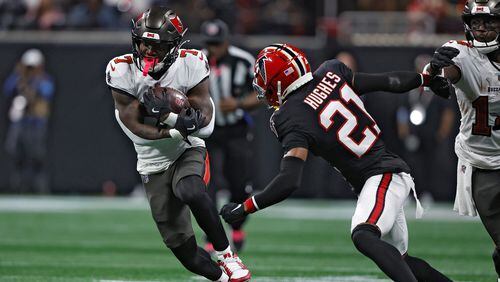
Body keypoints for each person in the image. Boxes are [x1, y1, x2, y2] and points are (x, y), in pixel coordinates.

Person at [220, 43, 453, 281]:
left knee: (363, 235)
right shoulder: (331, 72)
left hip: (382, 175)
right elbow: (388, 81)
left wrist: (245, 207)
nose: (262, 86)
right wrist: (424, 79)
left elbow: (289, 180)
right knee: (401, 260)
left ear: (280, 80)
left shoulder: (289, 116)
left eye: (265, 79)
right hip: (383, 174)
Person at [105, 7, 250, 282]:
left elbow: (205, 112)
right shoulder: (120, 69)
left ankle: (227, 254)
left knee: (191, 190)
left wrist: (189, 119)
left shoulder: (192, 62)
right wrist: (172, 127)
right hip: (151, 158)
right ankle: (222, 279)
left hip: (186, 148)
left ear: (173, 46)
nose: (147, 50)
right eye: (143, 42)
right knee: (187, 255)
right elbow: (132, 126)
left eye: (156, 45)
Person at [426, 1, 500, 280]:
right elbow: (445, 77)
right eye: (476, 23)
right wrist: (435, 73)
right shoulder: (462, 54)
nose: (481, 29)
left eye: (489, 22)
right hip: (482, 162)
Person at [200, 19, 261, 253]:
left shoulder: (243, 61)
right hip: (208, 130)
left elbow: (261, 94)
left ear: (226, 41)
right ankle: (211, 235)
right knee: (208, 185)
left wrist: (238, 103)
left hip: (236, 129)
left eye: (217, 43)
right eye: (209, 44)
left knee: (238, 182)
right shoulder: (197, 61)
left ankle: (237, 225)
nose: (213, 49)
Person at [396, 54, 456, 203]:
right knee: (409, 164)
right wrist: (403, 130)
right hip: (412, 133)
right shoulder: (410, 87)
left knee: (430, 164)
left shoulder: (440, 87)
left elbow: (448, 112)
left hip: (431, 133)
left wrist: (442, 133)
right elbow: (402, 110)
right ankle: (411, 193)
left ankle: (428, 192)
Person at [3, 48, 54, 193]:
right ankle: (18, 189)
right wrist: (20, 75)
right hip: (21, 123)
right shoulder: (19, 79)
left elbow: (46, 93)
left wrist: (31, 85)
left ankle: (40, 190)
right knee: (18, 157)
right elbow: (8, 89)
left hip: (36, 124)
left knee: (37, 157)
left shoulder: (44, 81)